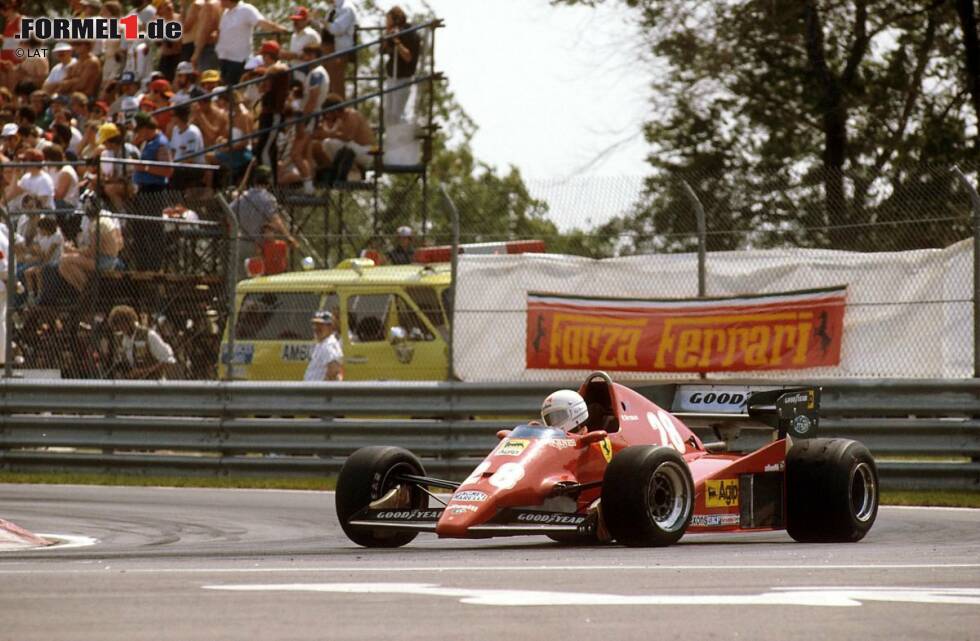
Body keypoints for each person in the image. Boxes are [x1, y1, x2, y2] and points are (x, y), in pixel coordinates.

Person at [229, 165, 298, 279]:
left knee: (239, 281)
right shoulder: (267, 198)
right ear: (269, 181)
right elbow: (276, 219)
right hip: (257, 246)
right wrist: (288, 236)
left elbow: (230, 210)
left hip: (240, 242)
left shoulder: (242, 196)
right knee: (257, 280)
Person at [215, 0, 287, 86]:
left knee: (233, 91)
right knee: (223, 91)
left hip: (238, 60)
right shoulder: (226, 12)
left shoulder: (246, 10)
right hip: (223, 58)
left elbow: (261, 22)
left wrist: (278, 29)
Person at [310, 91, 375, 183]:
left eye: (327, 113)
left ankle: (354, 172)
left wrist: (327, 134)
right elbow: (331, 134)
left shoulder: (352, 115)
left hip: (369, 152)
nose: (326, 116)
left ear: (335, 110)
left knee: (330, 143)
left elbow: (348, 137)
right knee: (325, 144)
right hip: (357, 151)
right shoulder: (340, 119)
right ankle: (338, 170)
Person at [107, 304, 177, 379]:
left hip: (154, 384)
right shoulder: (123, 340)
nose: (119, 329)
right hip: (134, 385)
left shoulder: (149, 335)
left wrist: (144, 371)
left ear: (129, 321)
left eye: (120, 324)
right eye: (116, 326)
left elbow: (169, 362)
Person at [381, 6, 420, 126]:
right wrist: (387, 38)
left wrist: (397, 41)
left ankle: (402, 141)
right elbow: (382, 51)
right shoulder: (392, 32)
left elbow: (408, 57)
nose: (386, 23)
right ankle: (390, 140)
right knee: (388, 114)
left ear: (396, 20)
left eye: (388, 20)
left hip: (403, 78)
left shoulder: (410, 33)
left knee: (398, 114)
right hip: (391, 76)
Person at [319, 0, 356, 98]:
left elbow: (337, 29)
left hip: (338, 51)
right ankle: (330, 110)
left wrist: (322, 21)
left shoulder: (347, 8)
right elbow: (326, 28)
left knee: (337, 86)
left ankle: (339, 111)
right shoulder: (333, 8)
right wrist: (314, 20)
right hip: (329, 52)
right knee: (329, 85)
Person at [304, 309, 343, 381]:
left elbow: (334, 370)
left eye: (320, 325)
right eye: (315, 324)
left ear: (330, 327)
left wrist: (321, 388)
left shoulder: (329, 345)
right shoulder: (322, 343)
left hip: (319, 390)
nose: (316, 328)